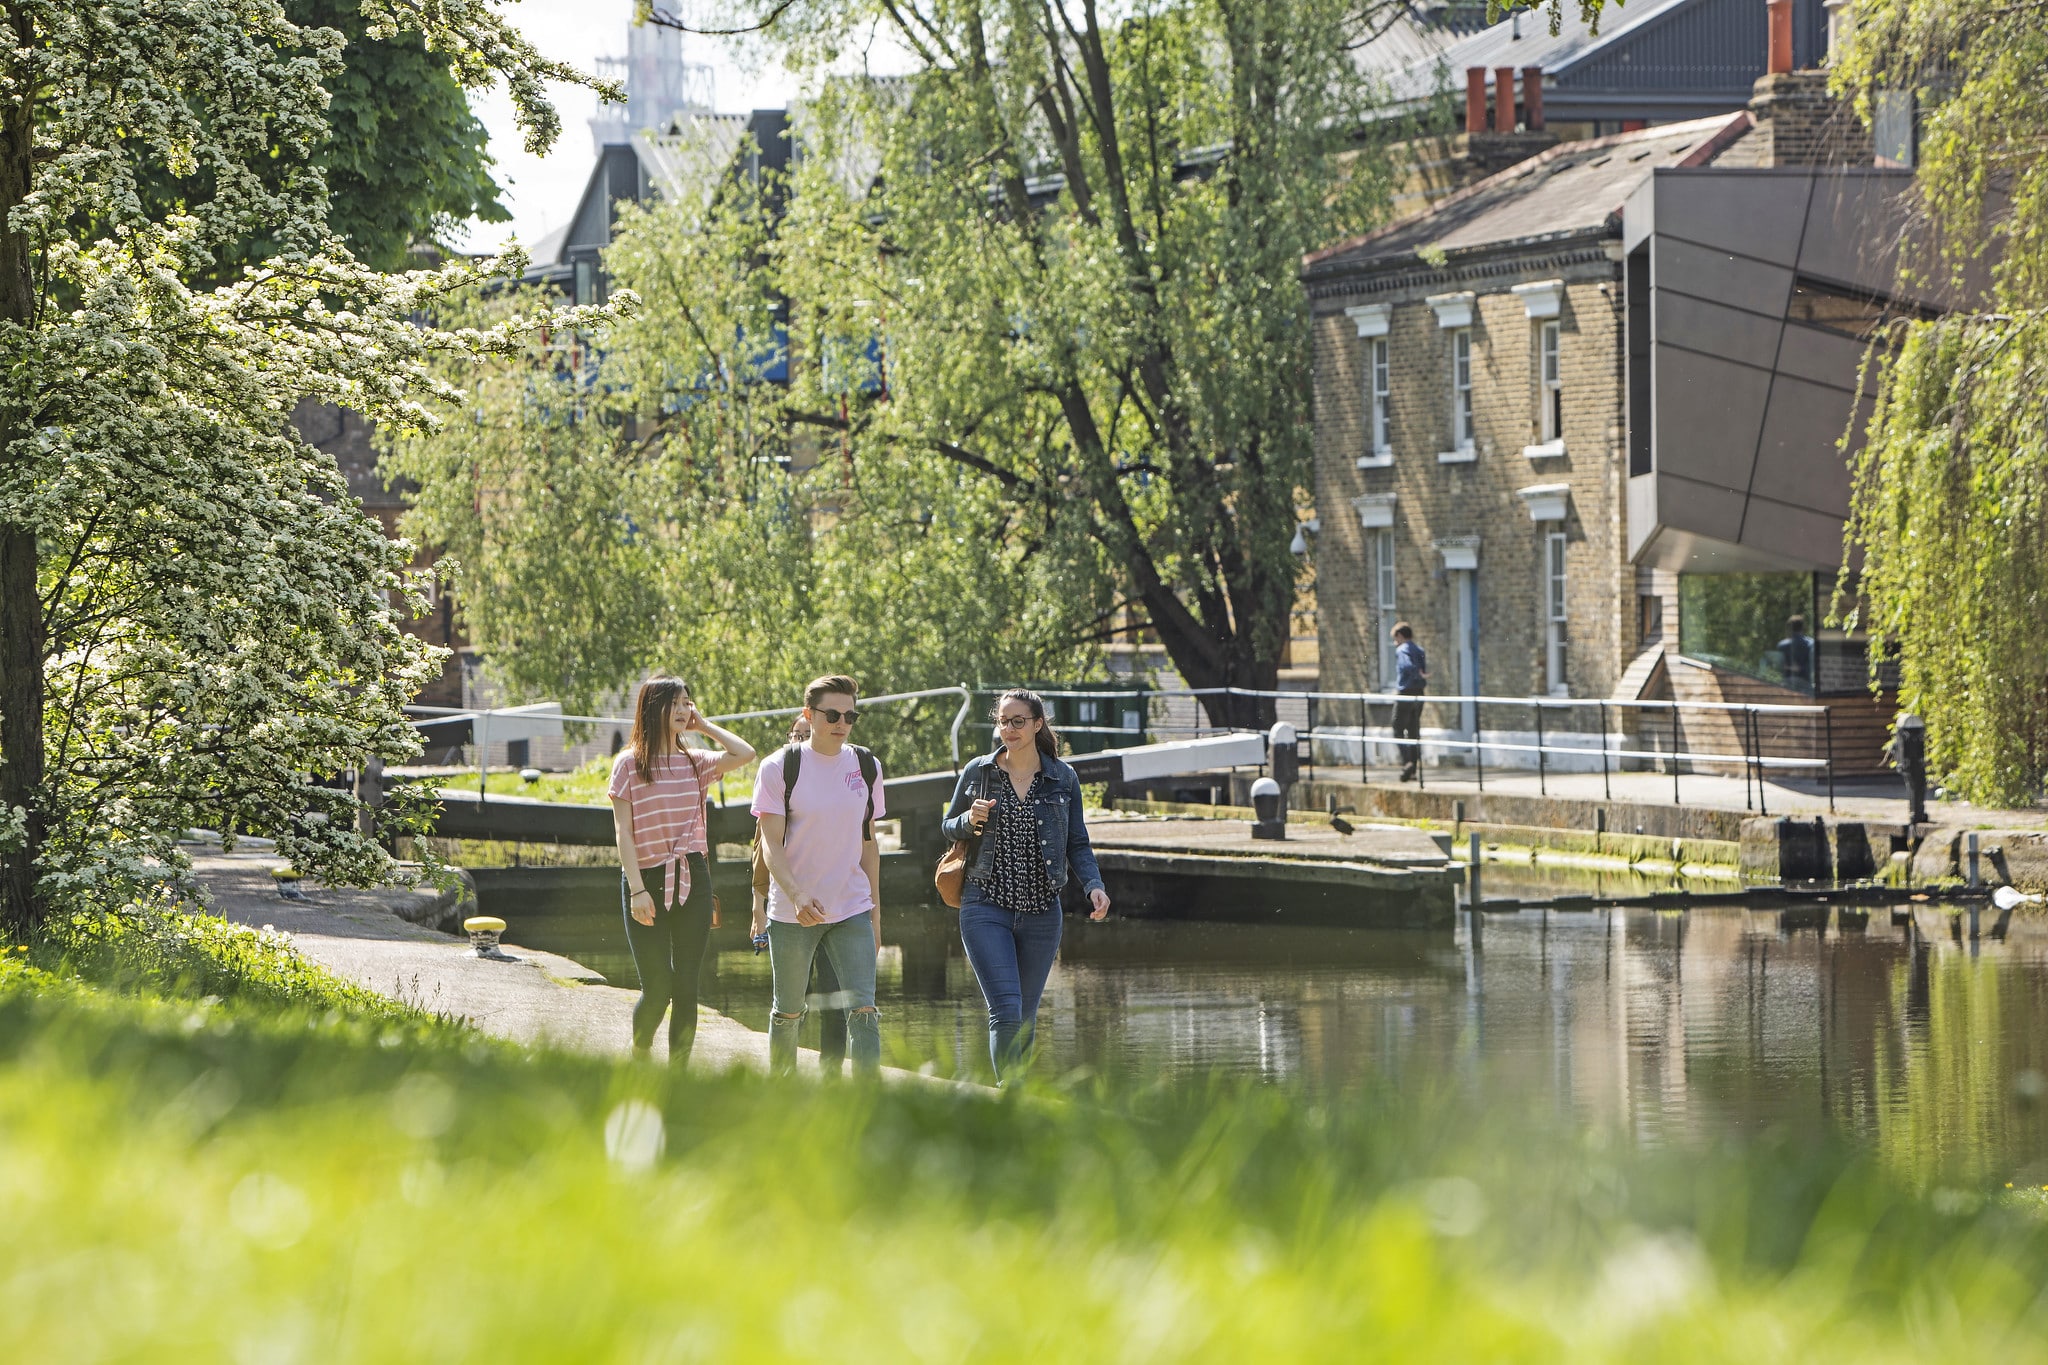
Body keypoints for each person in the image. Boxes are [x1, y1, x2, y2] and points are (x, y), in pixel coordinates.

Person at [940, 688, 1110, 1082]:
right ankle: (1009, 1095)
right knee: (1007, 1008)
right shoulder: (979, 772)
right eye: (1003, 721)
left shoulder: (1061, 777)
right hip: (985, 903)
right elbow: (947, 826)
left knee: (1027, 1017)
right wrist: (968, 819)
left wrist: (1093, 885)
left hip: (1041, 912)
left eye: (1019, 721)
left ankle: (1018, 1101)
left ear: (1037, 725)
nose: (1010, 729)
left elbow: (1077, 842)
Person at [607, 676, 757, 1062]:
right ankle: (640, 1054)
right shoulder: (628, 764)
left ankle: (679, 1075)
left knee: (688, 985)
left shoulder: (694, 761)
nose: (682, 710)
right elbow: (624, 833)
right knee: (657, 988)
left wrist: (704, 726)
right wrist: (637, 890)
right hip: (646, 879)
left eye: (687, 703)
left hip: (693, 876)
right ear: (651, 707)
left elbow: (745, 753)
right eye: (674, 703)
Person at [753, 675, 885, 1077]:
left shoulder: (867, 766)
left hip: (851, 908)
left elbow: (868, 844)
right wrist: (794, 895)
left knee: (863, 1008)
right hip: (794, 914)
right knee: (789, 1012)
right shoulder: (779, 766)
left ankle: (868, 1105)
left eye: (850, 715)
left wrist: (876, 914)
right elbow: (770, 845)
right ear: (809, 715)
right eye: (832, 714)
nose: (841, 722)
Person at [750, 715, 847, 1071]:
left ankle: (832, 1072)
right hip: (789, 910)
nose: (804, 740)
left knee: (836, 997)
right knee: (793, 999)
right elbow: (762, 855)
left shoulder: (839, 781)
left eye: (808, 734)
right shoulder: (778, 779)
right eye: (798, 735)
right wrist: (758, 908)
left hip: (835, 909)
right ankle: (785, 1074)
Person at [1391, 621, 1428, 782]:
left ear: (1400, 636)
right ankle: (1413, 769)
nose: (1395, 642)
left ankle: (1407, 763)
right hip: (1419, 692)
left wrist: (1414, 674)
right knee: (1413, 729)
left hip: (1405, 691)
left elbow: (1407, 666)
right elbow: (1424, 670)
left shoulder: (1402, 649)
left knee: (1397, 727)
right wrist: (1420, 676)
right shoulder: (1419, 649)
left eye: (1395, 638)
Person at [1776, 615, 1814, 688]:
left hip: (1788, 684)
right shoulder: (1810, 644)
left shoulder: (1782, 645)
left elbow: (1779, 666)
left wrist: (1789, 667)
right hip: (1805, 682)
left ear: (1790, 628)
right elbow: (1811, 666)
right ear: (1802, 627)